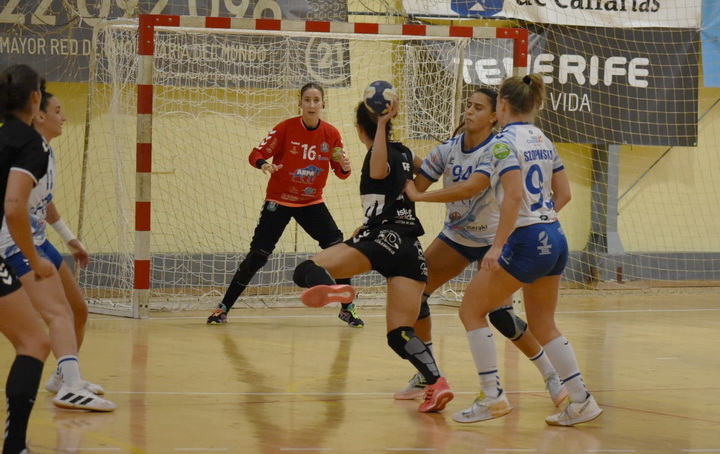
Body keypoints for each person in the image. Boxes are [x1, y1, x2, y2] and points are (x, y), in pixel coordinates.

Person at [432, 74, 600, 425]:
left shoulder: (502, 143)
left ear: (503, 105)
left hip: (525, 241)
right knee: (543, 324)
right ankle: (582, 400)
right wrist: (541, 220)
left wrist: (498, 246)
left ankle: (492, 396)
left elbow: (513, 196)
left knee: (471, 310)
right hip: (554, 235)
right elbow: (564, 194)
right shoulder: (543, 138)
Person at [398, 88, 568, 408]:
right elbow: (415, 186)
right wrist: (399, 157)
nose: (469, 111)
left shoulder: (499, 148)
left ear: (494, 115)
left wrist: (422, 196)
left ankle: (551, 376)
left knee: (502, 317)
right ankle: (429, 374)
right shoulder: (449, 149)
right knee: (416, 291)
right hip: (457, 237)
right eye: (468, 105)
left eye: (478, 108)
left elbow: (470, 186)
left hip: (495, 240)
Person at [292, 98, 454, 413]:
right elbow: (432, 169)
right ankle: (437, 382)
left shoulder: (375, 155)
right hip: (409, 247)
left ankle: (336, 288)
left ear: (358, 129)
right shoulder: (405, 152)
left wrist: (379, 124)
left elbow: (379, 170)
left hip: (381, 240)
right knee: (399, 334)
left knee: (305, 269)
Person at [0, 80, 115, 413]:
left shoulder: (45, 151)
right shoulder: (23, 149)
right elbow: (14, 204)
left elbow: (44, 201)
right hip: (15, 242)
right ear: (38, 114)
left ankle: (62, 377)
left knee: (78, 309)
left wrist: (69, 237)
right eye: (58, 110)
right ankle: (72, 388)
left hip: (38, 238)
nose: (64, 117)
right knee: (57, 313)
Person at [207, 83, 363, 327]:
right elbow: (256, 153)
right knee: (258, 255)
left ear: (323, 104)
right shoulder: (285, 128)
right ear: (300, 103)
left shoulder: (331, 134)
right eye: (307, 100)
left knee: (338, 248)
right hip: (279, 201)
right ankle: (223, 308)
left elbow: (342, 173)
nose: (312, 105)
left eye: (316, 100)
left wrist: (345, 166)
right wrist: (264, 164)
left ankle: (347, 308)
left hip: (311, 202)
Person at [0, 64, 53, 454]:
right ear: (36, 98)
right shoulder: (30, 143)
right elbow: (15, 206)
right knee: (34, 341)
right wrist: (34, 260)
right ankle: (15, 446)